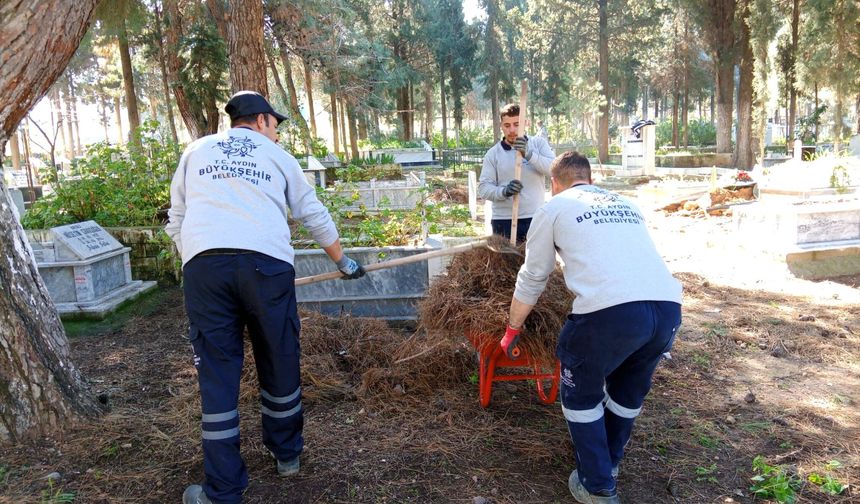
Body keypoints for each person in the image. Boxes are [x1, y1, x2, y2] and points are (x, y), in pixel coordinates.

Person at [166, 90, 366, 504]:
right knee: (278, 355)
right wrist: (343, 262)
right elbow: (311, 212)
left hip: (204, 268)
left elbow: (177, 219)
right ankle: (287, 454)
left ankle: (223, 491)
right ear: (260, 122)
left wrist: (199, 260)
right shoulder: (277, 157)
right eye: (275, 125)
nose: (276, 134)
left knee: (217, 373)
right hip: (266, 266)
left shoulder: (197, 151)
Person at [501, 151, 682, 503]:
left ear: (554, 184)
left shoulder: (553, 208)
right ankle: (608, 464)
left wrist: (513, 327)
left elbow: (534, 274)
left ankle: (597, 486)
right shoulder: (627, 204)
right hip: (667, 309)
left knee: (581, 393)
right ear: (591, 179)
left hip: (610, 313)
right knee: (627, 393)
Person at [478, 103, 555, 243]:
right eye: (507, 125)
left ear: (525, 123)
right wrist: (504, 191)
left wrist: (530, 155)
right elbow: (484, 188)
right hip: (504, 220)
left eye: (516, 124)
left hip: (535, 217)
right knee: (506, 263)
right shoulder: (493, 154)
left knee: (536, 263)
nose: (512, 130)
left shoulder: (538, 144)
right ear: (501, 126)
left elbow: (553, 169)